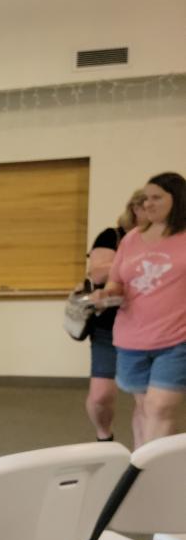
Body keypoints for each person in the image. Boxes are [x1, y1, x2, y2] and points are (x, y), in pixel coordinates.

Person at [94, 172, 186, 448]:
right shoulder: (132, 238)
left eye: (157, 197)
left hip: (177, 338)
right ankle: (143, 465)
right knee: (144, 407)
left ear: (178, 199)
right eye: (146, 198)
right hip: (132, 338)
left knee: (160, 407)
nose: (148, 204)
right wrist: (106, 294)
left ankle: (152, 472)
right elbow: (116, 281)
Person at [84, 189, 146, 442]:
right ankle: (104, 436)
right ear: (132, 209)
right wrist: (138, 259)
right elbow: (97, 274)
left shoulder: (172, 240)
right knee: (101, 396)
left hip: (149, 327)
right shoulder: (113, 236)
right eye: (141, 206)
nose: (147, 211)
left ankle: (144, 456)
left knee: (147, 400)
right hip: (108, 327)